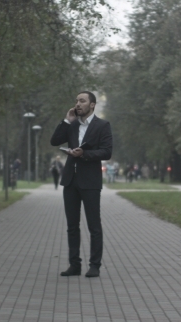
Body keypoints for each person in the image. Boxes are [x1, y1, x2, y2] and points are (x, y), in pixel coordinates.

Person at [50, 91, 113, 278]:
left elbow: (106, 152)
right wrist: (67, 121)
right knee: (72, 225)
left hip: (90, 181)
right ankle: (74, 264)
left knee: (94, 225)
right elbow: (54, 141)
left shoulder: (102, 125)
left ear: (92, 105)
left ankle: (94, 265)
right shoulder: (72, 124)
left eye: (82, 101)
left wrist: (84, 154)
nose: (78, 104)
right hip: (70, 180)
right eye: (77, 101)